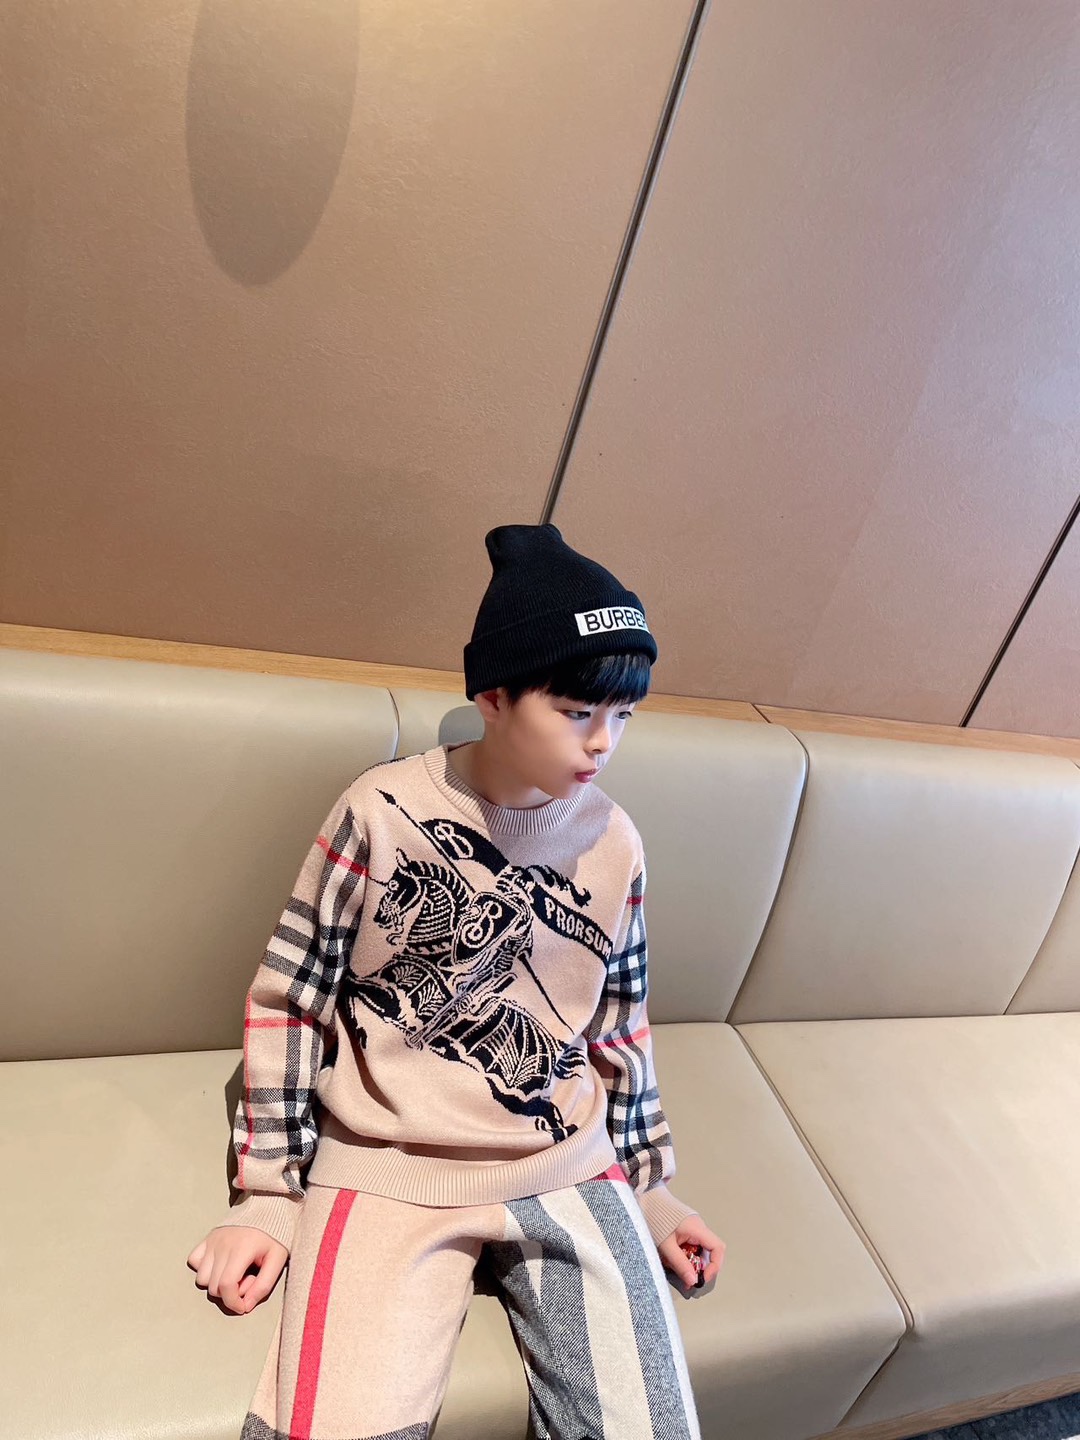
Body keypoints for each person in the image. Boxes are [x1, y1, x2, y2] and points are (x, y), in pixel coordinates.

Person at [187, 523, 725, 1440]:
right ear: (494, 696)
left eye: (624, 715)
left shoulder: (616, 842)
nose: (604, 742)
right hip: (387, 1162)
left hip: (568, 1158)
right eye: (577, 710)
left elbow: (617, 1023)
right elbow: (290, 1000)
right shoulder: (381, 810)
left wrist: (649, 1184)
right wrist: (269, 1195)